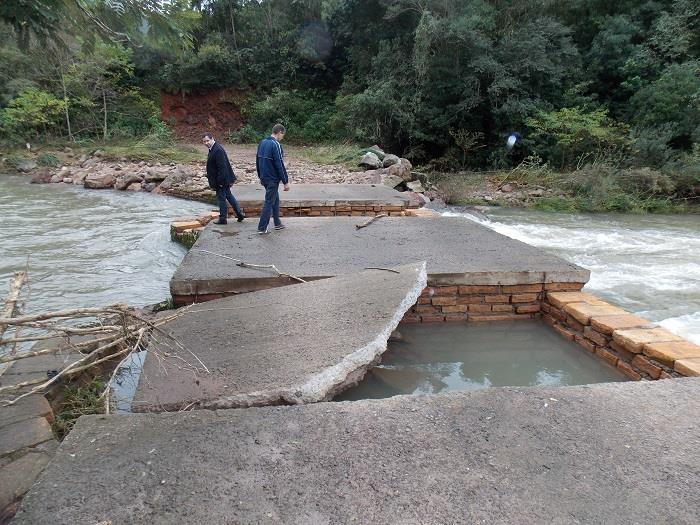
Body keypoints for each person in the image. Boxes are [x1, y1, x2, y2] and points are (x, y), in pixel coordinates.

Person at [203, 133, 244, 225]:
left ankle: (223, 219)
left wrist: (221, 182)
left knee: (221, 199)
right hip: (222, 179)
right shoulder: (213, 148)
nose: (206, 143)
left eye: (207, 140)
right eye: (204, 141)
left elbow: (222, 167)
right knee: (228, 195)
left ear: (212, 139)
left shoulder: (217, 150)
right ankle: (239, 214)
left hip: (221, 180)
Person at [255, 123, 290, 234]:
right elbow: (279, 164)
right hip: (272, 179)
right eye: (282, 135)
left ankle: (277, 223)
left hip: (264, 177)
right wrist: (285, 181)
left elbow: (257, 160)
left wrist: (260, 176)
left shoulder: (262, 142)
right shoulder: (276, 145)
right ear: (279, 132)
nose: (282, 137)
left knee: (275, 199)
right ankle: (262, 228)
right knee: (269, 201)